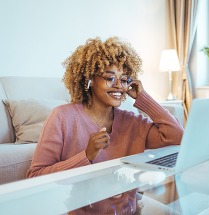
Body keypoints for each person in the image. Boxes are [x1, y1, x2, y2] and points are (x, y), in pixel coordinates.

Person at [27, 37, 184, 214]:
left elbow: (177, 137)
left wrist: (143, 98)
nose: (118, 86)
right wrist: (86, 156)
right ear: (90, 79)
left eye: (124, 79)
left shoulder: (133, 121)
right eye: (110, 78)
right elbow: (36, 177)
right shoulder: (62, 117)